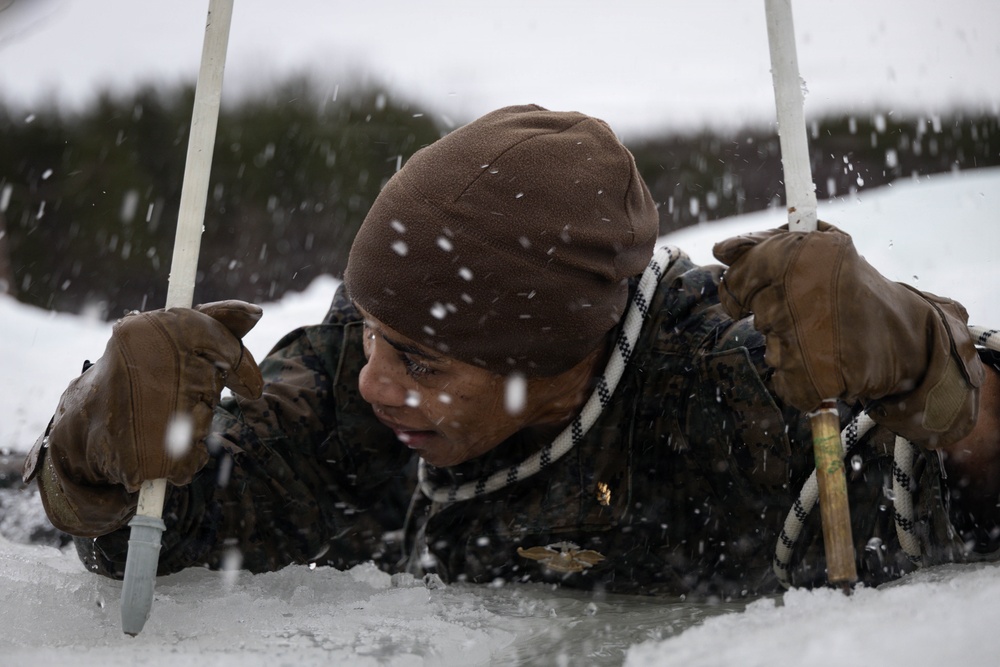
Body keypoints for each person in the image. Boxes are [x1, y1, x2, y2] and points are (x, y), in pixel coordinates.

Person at [24, 104, 1000, 599]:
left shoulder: (724, 379)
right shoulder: (340, 392)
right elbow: (161, 521)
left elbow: (972, 477)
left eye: (425, 360)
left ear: (556, 349)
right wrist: (95, 448)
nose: (375, 379)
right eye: (373, 330)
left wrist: (935, 380)